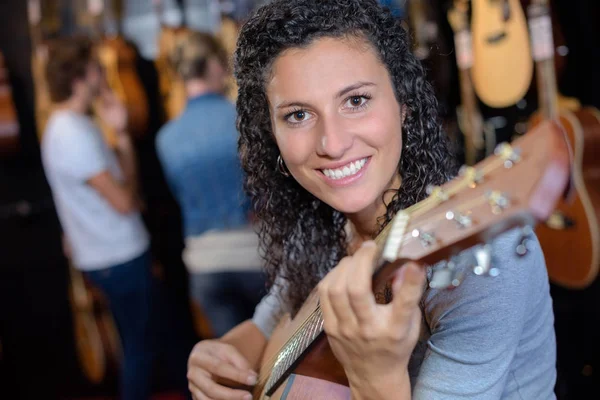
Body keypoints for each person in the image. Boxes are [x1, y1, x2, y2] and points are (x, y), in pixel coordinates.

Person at [186, 0, 557, 399]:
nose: (333, 143)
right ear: (271, 134)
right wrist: (218, 355)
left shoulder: (483, 256)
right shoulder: (321, 224)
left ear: (404, 104)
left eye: (356, 100)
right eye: (298, 115)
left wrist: (375, 378)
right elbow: (265, 325)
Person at [41, 36, 174, 400]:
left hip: (108, 255)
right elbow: (126, 201)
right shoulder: (72, 133)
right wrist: (122, 137)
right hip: (119, 255)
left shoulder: (70, 126)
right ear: (79, 78)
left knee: (147, 343)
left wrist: (121, 136)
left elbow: (119, 187)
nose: (103, 75)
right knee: (141, 350)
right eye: (97, 69)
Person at [156, 31, 265, 338]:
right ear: (213, 65)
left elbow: (181, 196)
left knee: (233, 365)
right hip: (254, 253)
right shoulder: (241, 119)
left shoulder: (166, 138)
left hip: (204, 263)